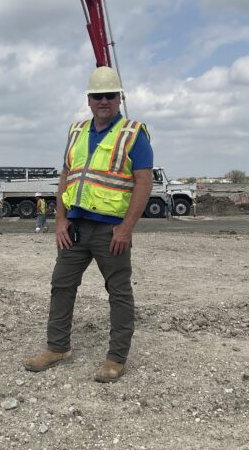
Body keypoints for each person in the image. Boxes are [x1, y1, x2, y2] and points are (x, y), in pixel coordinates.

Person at [24, 66, 153, 383]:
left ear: (119, 98)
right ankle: (57, 347)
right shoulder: (76, 132)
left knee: (118, 292)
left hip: (112, 231)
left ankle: (116, 358)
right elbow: (67, 177)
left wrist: (126, 229)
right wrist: (59, 220)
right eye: (98, 96)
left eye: (110, 95)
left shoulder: (133, 134)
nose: (104, 100)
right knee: (61, 285)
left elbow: (143, 183)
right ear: (89, 100)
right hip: (76, 227)